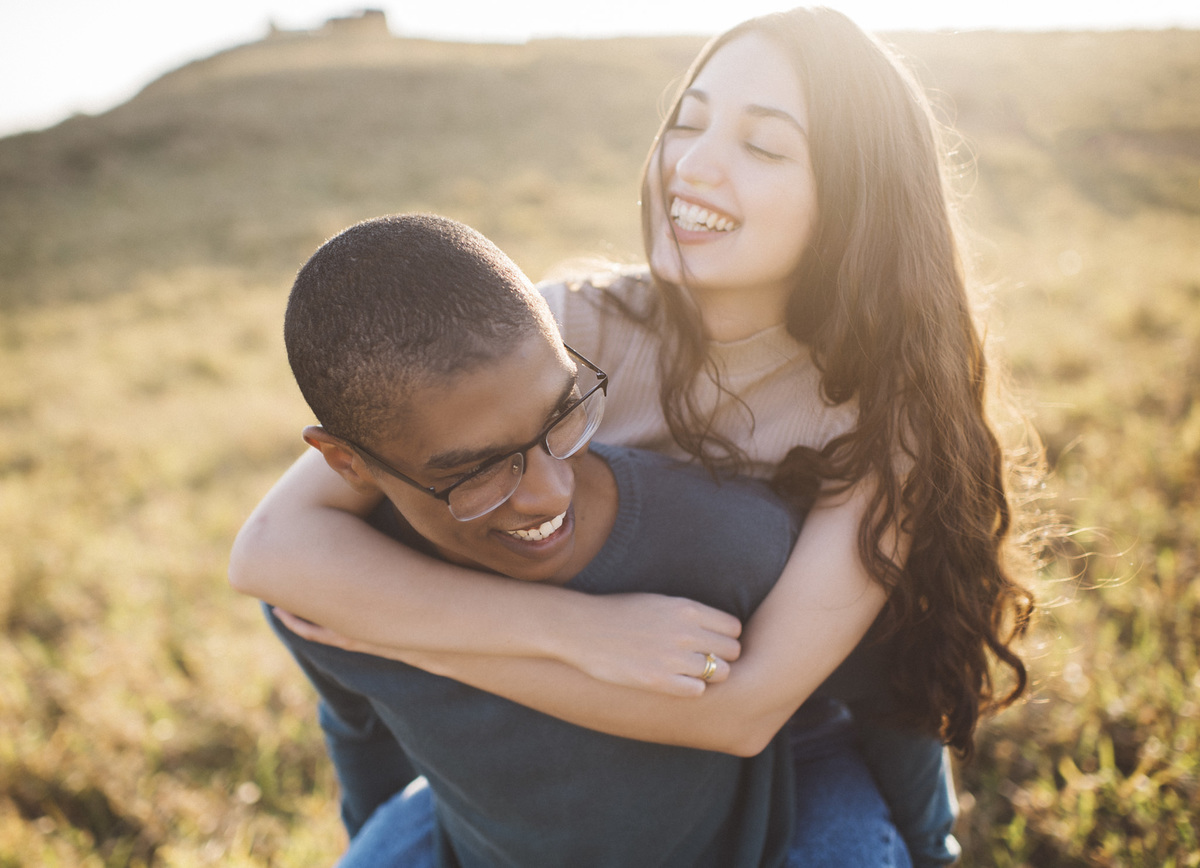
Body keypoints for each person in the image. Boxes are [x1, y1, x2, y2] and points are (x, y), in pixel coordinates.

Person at [231, 7, 1039, 866]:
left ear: (856, 194)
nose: (691, 164)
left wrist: (408, 638)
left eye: (762, 147)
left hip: (786, 758)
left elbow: (747, 709)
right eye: (685, 122)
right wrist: (571, 635)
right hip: (556, 755)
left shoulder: (883, 419)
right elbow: (272, 552)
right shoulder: (567, 322)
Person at [272, 211, 908, 867]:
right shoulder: (330, 592)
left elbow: (894, 696)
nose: (551, 492)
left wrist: (929, 844)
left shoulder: (728, 543)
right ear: (345, 462)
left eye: (561, 414)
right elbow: (362, 730)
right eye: (478, 470)